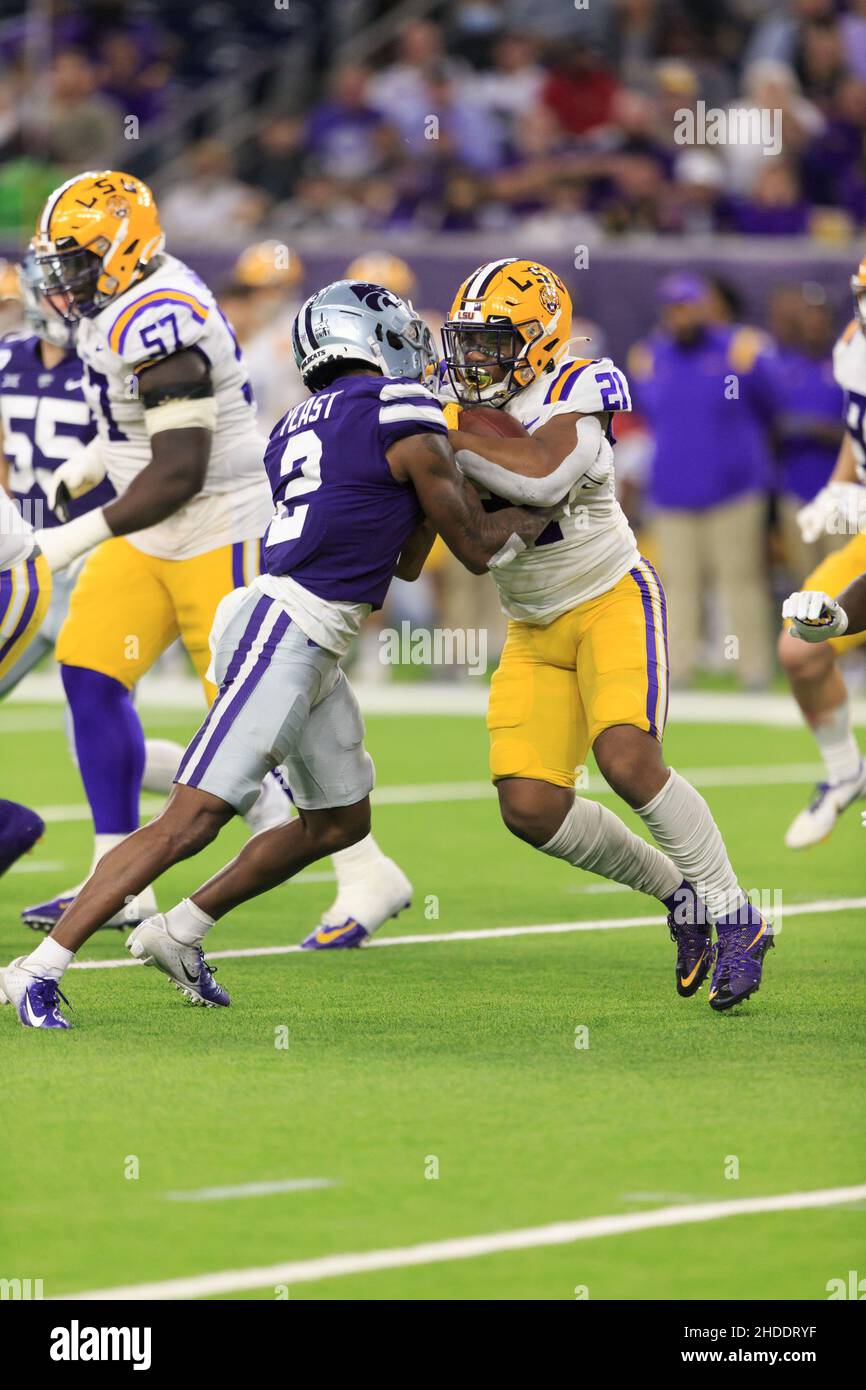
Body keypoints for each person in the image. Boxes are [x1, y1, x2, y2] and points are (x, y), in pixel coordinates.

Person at [0, 279, 553, 1029]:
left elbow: (407, 558)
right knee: (188, 822)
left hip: (300, 628)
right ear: (377, 339)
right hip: (289, 629)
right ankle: (35, 971)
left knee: (339, 823)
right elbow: (479, 552)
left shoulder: (298, 420)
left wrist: (454, 487)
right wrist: (553, 497)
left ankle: (180, 930)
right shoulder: (402, 409)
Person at [16, 171, 411, 947]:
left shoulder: (164, 317)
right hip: (149, 529)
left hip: (219, 527)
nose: (62, 277)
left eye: (76, 257)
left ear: (122, 247)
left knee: (260, 719)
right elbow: (138, 422)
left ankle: (367, 870)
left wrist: (71, 534)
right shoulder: (114, 305)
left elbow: (179, 470)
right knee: (90, 676)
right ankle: (118, 874)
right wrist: (101, 455)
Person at [440, 258, 774, 1013]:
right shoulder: (453, 404)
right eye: (468, 343)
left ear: (540, 339)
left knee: (626, 757)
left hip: (610, 598)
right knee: (528, 806)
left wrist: (440, 441)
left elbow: (537, 477)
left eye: (494, 343)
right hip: (531, 623)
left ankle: (736, 915)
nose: (475, 361)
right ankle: (679, 896)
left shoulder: (580, 385)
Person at [628, 272, 776, 690]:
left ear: (706, 308)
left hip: (735, 490)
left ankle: (754, 671)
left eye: (688, 307)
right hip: (672, 491)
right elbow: (649, 417)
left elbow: (771, 409)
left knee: (742, 580)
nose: (681, 316)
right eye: (673, 309)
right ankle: (679, 673)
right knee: (677, 585)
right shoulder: (649, 357)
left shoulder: (742, 350)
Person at [777, 256, 866, 848]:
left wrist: (843, 617)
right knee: (799, 648)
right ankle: (844, 773)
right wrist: (842, 484)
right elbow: (856, 426)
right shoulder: (853, 344)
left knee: (825, 624)